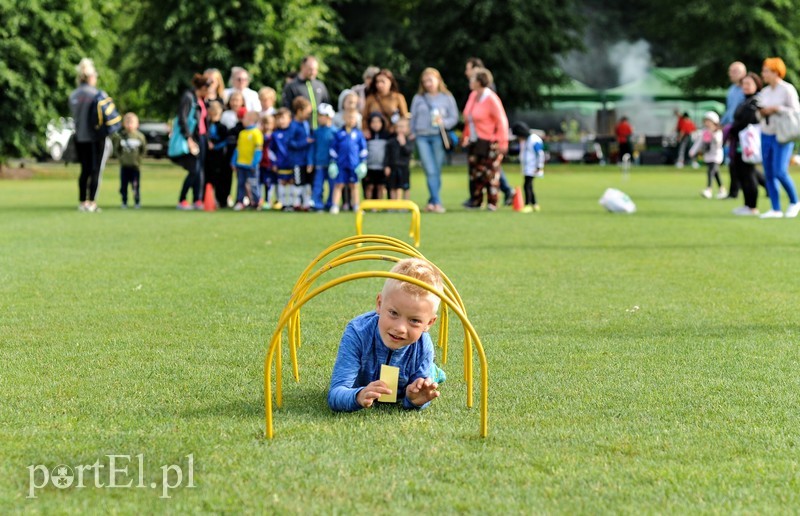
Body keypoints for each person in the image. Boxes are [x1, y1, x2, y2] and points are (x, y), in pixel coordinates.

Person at [328, 258, 443, 412]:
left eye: (414, 320)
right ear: (380, 304)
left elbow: (419, 396)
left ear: (429, 323)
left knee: (431, 375)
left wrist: (414, 400)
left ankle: (434, 372)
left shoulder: (423, 346)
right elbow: (336, 393)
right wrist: (358, 396)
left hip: (415, 372)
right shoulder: (357, 333)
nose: (400, 328)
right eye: (393, 313)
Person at [463, 57, 514, 206]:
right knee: (476, 174)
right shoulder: (473, 96)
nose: (469, 80)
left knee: (491, 173)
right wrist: (466, 135)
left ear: (479, 82)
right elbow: (469, 118)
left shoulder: (491, 98)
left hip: (490, 141)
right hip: (475, 141)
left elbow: (502, 120)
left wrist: (503, 142)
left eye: (472, 79)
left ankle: (493, 202)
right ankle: (476, 201)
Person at [410, 67, 459, 213]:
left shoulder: (447, 97)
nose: (427, 84)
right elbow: (413, 117)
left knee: (436, 170)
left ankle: (432, 201)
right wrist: (412, 132)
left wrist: (443, 122)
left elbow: (454, 117)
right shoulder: (418, 98)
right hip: (422, 136)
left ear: (438, 80)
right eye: (424, 81)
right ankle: (437, 202)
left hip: (438, 135)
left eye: (430, 80)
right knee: (430, 169)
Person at [757, 57, 800, 218]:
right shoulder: (765, 92)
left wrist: (777, 109)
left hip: (783, 135)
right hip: (766, 133)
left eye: (766, 71)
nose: (763, 74)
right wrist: (762, 111)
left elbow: (796, 112)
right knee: (768, 172)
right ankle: (775, 208)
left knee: (780, 171)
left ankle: (795, 201)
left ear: (776, 72)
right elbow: (759, 111)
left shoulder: (787, 89)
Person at [69, 58, 112, 212]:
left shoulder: (73, 95)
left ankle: (82, 202)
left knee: (84, 170)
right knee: (96, 170)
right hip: (96, 138)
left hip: (80, 137)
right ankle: (92, 201)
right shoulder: (97, 94)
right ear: (91, 77)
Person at [173, 73, 210, 210]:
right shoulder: (189, 98)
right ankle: (182, 199)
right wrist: (188, 138)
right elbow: (182, 118)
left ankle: (197, 199)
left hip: (202, 137)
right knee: (194, 170)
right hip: (192, 137)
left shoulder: (202, 99)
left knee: (200, 170)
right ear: (202, 88)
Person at [728, 72, 763, 215]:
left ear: (756, 85)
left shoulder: (756, 102)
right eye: (744, 84)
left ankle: (752, 206)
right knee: (741, 173)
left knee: (749, 174)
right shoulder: (744, 101)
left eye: (749, 84)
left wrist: (732, 128)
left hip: (748, 143)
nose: (746, 87)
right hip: (739, 142)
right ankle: (747, 204)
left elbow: (746, 122)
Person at [328, 110, 367, 215]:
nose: (351, 120)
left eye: (353, 118)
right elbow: (333, 149)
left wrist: (363, 163)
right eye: (349, 117)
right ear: (344, 119)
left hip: (354, 165)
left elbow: (363, 149)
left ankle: (356, 206)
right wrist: (333, 162)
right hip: (340, 164)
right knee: (338, 185)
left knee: (354, 185)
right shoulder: (339, 133)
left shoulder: (358, 134)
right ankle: (335, 205)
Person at [282, 55, 331, 130]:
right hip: (300, 131)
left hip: (319, 131)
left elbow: (327, 105)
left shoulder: (320, 85)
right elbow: (286, 109)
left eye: (315, 70)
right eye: (310, 69)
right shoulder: (291, 86)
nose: (313, 72)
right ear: (302, 67)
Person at [721, 61, 748, 199]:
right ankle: (734, 192)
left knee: (742, 162)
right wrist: (721, 123)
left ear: (742, 72)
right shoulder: (731, 90)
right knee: (734, 160)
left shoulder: (747, 88)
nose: (730, 74)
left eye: (733, 71)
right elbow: (729, 110)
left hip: (743, 129)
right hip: (732, 128)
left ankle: (735, 192)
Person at [231, 111, 264, 210]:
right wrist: (233, 161)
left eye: (244, 118)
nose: (242, 120)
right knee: (240, 184)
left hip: (251, 165)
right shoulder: (242, 133)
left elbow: (258, 150)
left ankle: (256, 202)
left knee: (253, 183)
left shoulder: (257, 133)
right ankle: (240, 201)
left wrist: (254, 163)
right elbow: (238, 149)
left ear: (250, 120)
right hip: (241, 164)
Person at [113, 113, 146, 209]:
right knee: (123, 186)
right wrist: (121, 159)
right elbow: (117, 150)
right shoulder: (121, 136)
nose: (129, 125)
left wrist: (138, 160)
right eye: (127, 122)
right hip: (124, 166)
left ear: (137, 124)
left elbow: (143, 150)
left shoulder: (140, 136)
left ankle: (137, 201)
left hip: (135, 167)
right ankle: (124, 201)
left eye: (131, 122)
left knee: (135, 186)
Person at [286, 97, 314, 210]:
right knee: (298, 181)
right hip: (297, 160)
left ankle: (306, 203)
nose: (308, 115)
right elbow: (290, 142)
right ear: (299, 111)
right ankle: (296, 203)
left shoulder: (306, 124)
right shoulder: (293, 125)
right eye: (307, 113)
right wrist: (304, 142)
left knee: (307, 182)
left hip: (305, 159)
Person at [690, 112, 725, 199]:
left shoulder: (718, 132)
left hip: (716, 155)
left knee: (710, 171)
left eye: (709, 121)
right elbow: (699, 142)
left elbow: (718, 143)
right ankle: (722, 189)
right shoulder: (704, 132)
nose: (707, 123)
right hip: (708, 155)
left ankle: (709, 189)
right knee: (715, 173)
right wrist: (692, 151)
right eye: (706, 121)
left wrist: (712, 134)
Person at [362, 69, 408, 136]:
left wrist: (397, 129)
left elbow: (404, 117)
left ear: (390, 82)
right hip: (375, 134)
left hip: (392, 134)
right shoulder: (371, 98)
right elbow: (365, 117)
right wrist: (365, 129)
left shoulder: (398, 97)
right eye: (377, 82)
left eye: (383, 81)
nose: (379, 85)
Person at [512, 122, 544, 213]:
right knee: (529, 186)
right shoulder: (526, 140)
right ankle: (534, 204)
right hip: (527, 167)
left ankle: (527, 204)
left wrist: (539, 166)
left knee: (526, 185)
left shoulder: (534, 140)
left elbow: (540, 154)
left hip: (532, 167)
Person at [310, 103, 337, 211]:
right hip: (319, 163)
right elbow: (312, 148)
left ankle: (331, 203)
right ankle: (317, 204)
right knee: (318, 185)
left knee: (332, 185)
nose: (319, 118)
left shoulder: (335, 132)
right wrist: (311, 162)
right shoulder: (316, 132)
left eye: (322, 116)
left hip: (331, 164)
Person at [204, 102, 230, 208]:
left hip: (220, 157)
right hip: (208, 157)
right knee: (208, 178)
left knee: (220, 179)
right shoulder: (206, 126)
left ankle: (221, 200)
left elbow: (225, 141)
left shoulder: (223, 127)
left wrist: (215, 146)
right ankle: (206, 198)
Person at [385, 118, 414, 200]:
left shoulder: (409, 141)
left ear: (407, 129)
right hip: (393, 167)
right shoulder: (391, 142)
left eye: (403, 127)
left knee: (405, 187)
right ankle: (394, 205)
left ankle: (405, 205)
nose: (400, 129)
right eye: (399, 127)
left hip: (404, 168)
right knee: (393, 187)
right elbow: (387, 155)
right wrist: (386, 166)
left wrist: (403, 144)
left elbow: (409, 152)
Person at [269, 107, 293, 211]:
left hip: (292, 163)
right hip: (281, 163)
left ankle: (291, 204)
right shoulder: (275, 134)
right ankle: (282, 203)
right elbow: (271, 151)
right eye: (278, 118)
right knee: (282, 182)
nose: (280, 121)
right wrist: (274, 163)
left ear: (289, 119)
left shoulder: (293, 132)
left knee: (292, 182)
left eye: (283, 118)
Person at [364, 112, 390, 200]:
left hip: (381, 166)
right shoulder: (367, 136)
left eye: (378, 122)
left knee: (380, 187)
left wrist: (387, 165)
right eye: (373, 122)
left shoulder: (386, 135)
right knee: (369, 186)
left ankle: (379, 205)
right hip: (369, 166)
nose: (376, 124)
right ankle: (368, 205)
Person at [258, 113, 275, 209]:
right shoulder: (259, 135)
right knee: (260, 182)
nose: (267, 126)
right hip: (261, 163)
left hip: (270, 164)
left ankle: (268, 200)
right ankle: (260, 200)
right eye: (265, 123)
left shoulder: (274, 136)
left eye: (269, 123)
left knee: (269, 183)